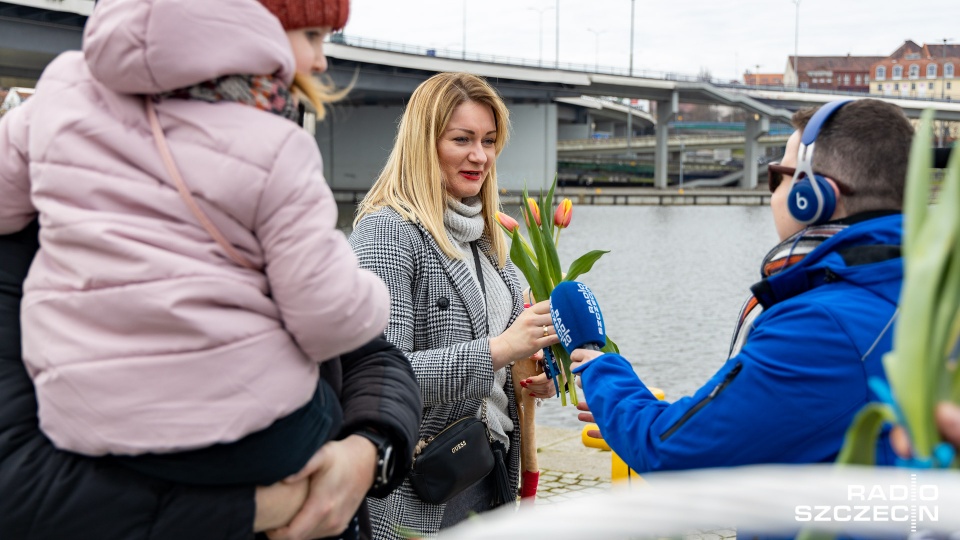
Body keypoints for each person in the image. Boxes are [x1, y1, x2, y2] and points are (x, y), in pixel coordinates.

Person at [0, 0, 397, 489]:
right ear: (252, 23)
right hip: (238, 434)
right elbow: (326, 320)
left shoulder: (60, 89)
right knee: (326, 407)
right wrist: (373, 291)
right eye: (313, 37)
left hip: (80, 419)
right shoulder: (274, 143)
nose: (321, 62)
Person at [571, 98, 914, 472]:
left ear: (811, 197)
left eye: (776, 175)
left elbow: (674, 453)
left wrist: (604, 373)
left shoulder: (819, 326)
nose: (772, 190)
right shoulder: (918, 291)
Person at [349, 72, 559, 538]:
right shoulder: (389, 232)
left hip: (489, 474)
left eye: (488, 140)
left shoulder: (490, 245)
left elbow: (504, 370)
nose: (479, 156)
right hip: (415, 492)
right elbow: (381, 378)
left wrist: (532, 375)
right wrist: (500, 349)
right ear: (424, 142)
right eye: (462, 139)